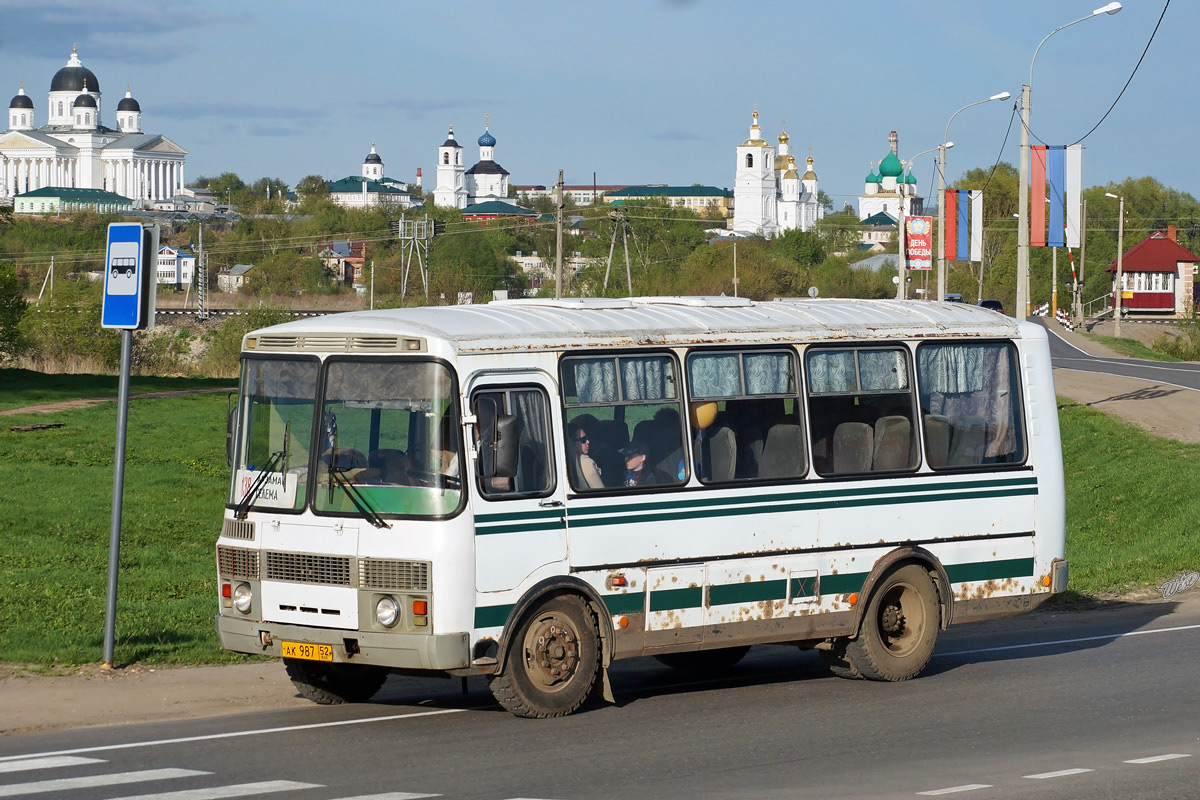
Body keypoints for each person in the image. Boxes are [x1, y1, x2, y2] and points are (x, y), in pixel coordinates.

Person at [567, 422, 604, 489]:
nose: (588, 441)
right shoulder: (587, 463)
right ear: (572, 442)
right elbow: (600, 491)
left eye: (586, 438)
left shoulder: (566, 461)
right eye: (583, 440)